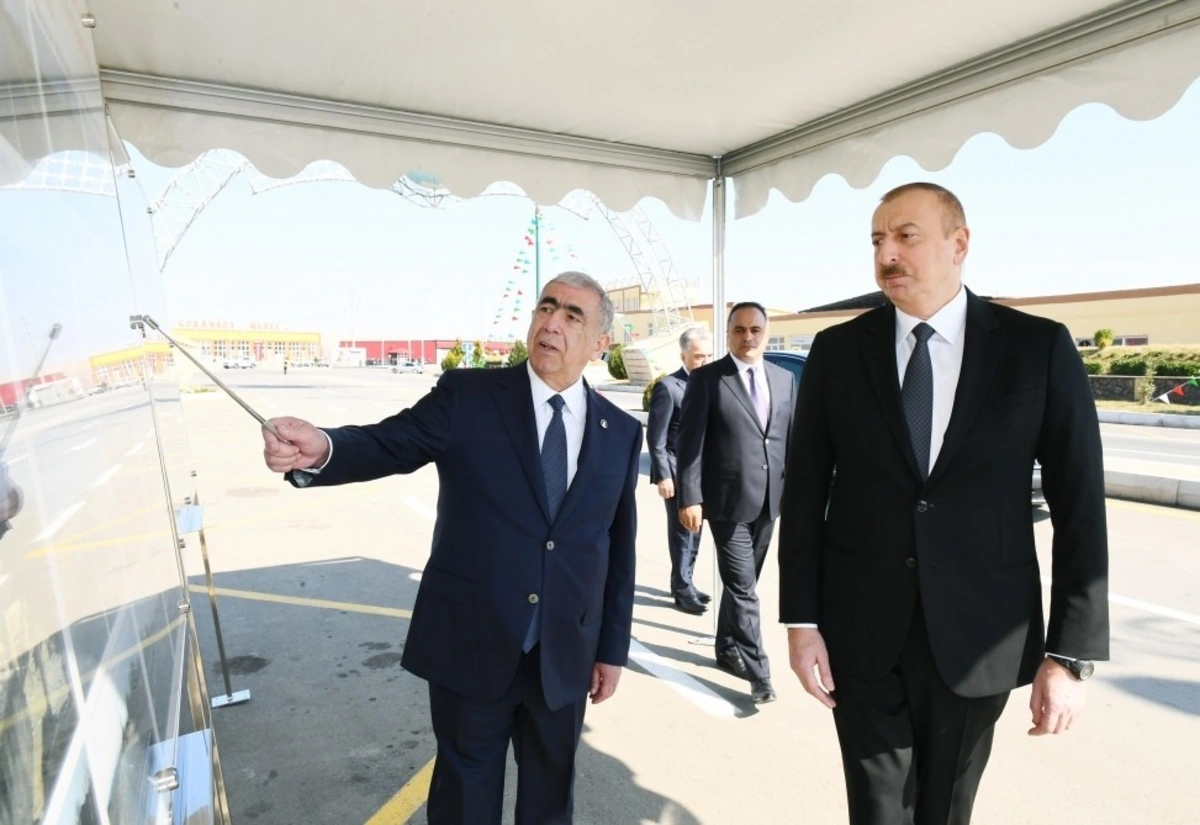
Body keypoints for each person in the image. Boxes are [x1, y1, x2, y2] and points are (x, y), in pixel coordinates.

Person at [779, 182, 1109, 824]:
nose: (887, 255)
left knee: (946, 811)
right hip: (860, 633)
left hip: (981, 634)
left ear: (960, 244)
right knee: (877, 811)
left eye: (906, 236)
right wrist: (801, 620)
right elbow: (807, 490)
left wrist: (1069, 655)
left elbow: (1080, 508)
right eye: (877, 240)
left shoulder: (1037, 347)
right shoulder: (838, 351)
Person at [260, 271, 642, 824]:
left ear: (600, 342)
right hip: (473, 642)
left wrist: (611, 649)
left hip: (563, 654)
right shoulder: (469, 396)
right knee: (464, 801)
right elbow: (389, 443)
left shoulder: (620, 431)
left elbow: (617, 550)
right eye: (547, 307)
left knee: (550, 798)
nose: (552, 323)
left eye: (572, 315)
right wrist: (322, 448)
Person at [676, 302, 796, 704]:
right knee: (744, 588)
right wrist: (690, 497)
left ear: (766, 333)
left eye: (755, 330)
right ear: (728, 334)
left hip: (769, 501)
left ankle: (727, 646)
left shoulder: (783, 380)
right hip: (725, 503)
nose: (748, 337)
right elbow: (690, 443)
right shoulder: (708, 379)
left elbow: (789, 440)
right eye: (739, 330)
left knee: (743, 583)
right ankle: (760, 674)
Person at [646, 327, 714, 615]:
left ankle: (685, 582)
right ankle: (683, 589)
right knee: (682, 532)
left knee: (695, 530)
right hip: (675, 470)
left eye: (708, 355)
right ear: (683, 356)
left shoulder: (710, 383)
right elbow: (656, 437)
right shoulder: (668, 388)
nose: (704, 361)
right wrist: (663, 475)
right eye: (698, 356)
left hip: (701, 472)